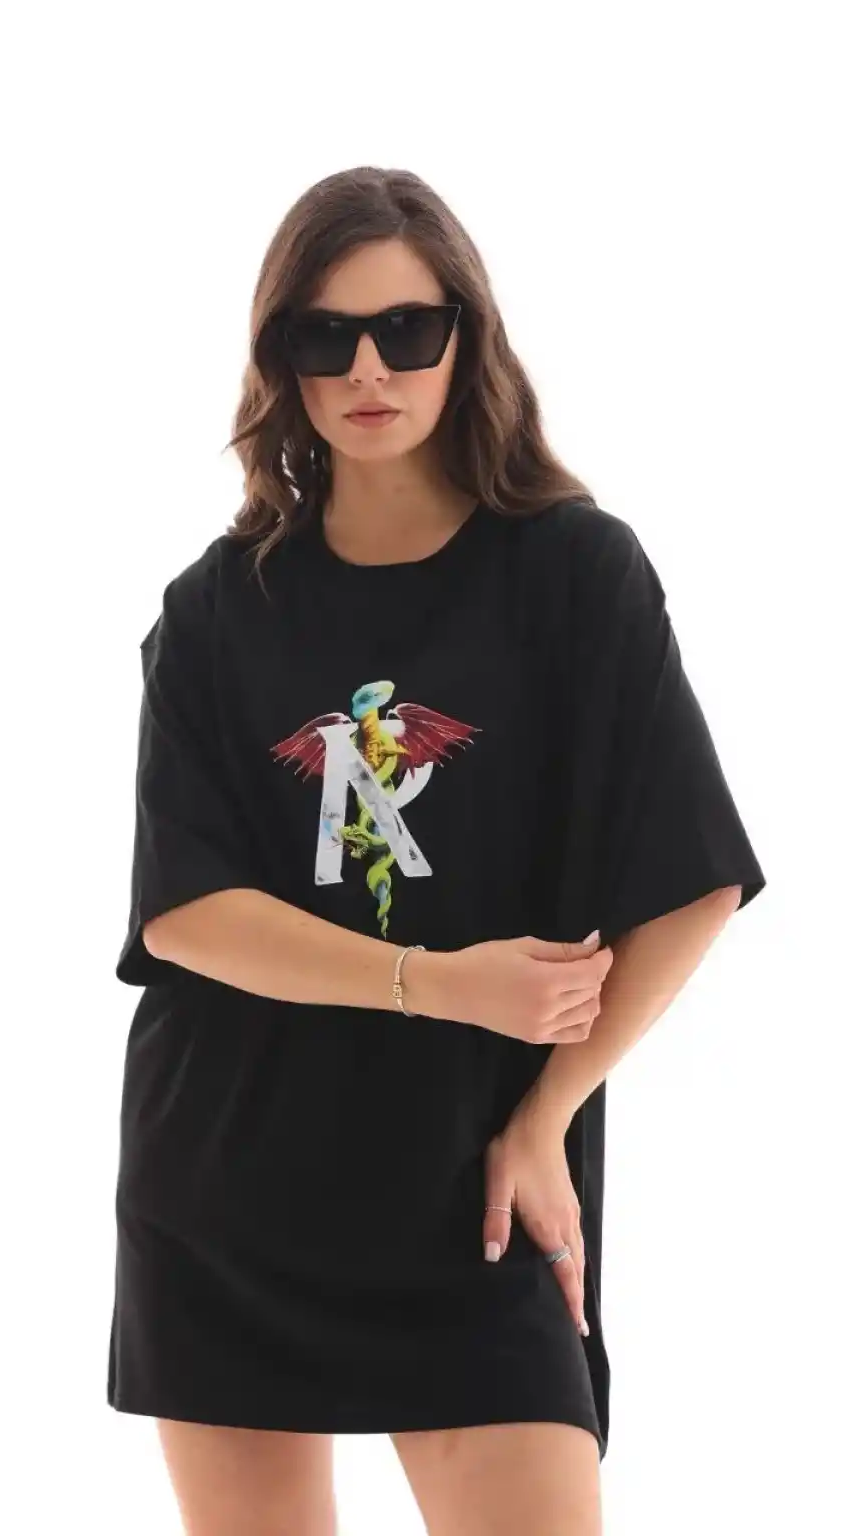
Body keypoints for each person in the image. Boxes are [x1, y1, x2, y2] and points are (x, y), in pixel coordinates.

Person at [106, 165, 766, 1536]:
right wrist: (439, 981)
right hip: (236, 1183)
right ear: (280, 359)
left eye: (407, 329)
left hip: (477, 1186)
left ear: (467, 339)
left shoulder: (574, 575)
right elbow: (187, 914)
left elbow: (692, 876)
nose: (369, 369)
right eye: (326, 335)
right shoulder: (215, 613)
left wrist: (547, 1116)